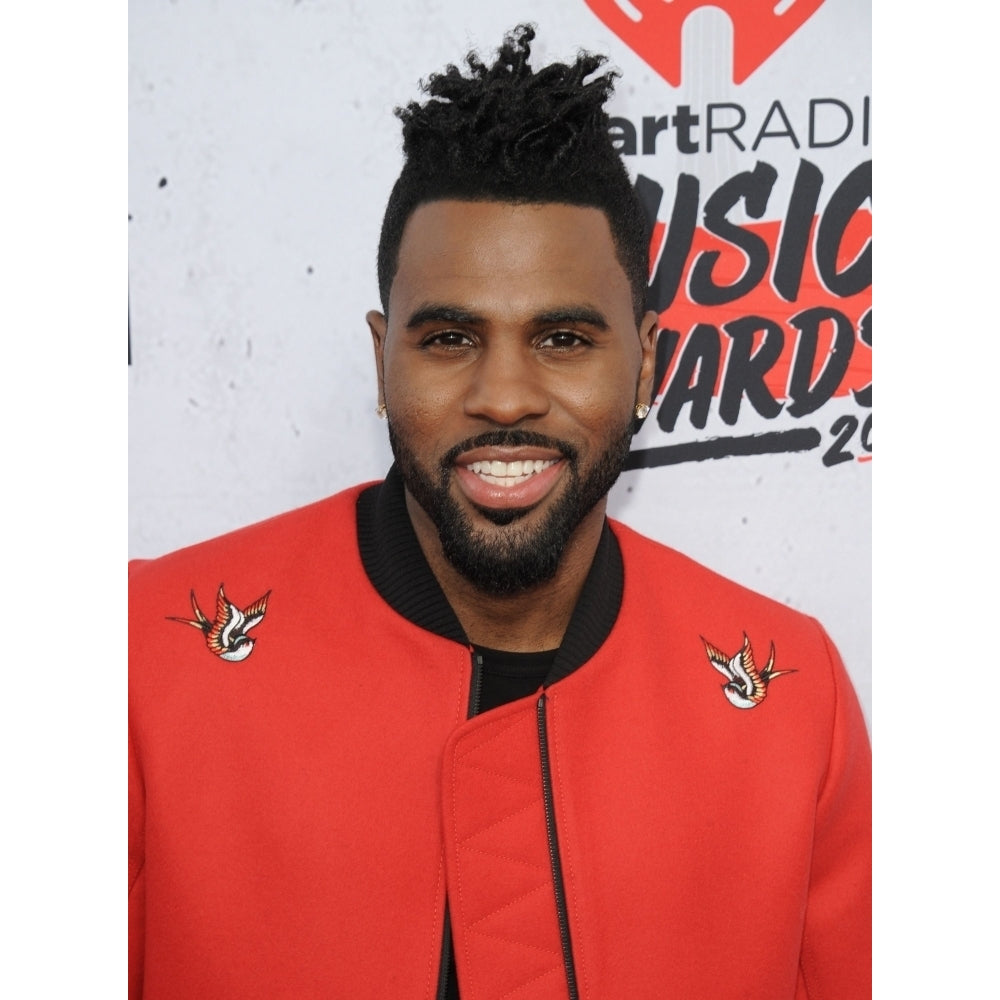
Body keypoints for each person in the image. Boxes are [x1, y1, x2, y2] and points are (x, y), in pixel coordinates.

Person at [128, 23, 871, 1000]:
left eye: (562, 338)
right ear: (381, 359)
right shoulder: (142, 657)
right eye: (448, 338)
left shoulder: (788, 697)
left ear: (647, 360)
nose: (506, 395)